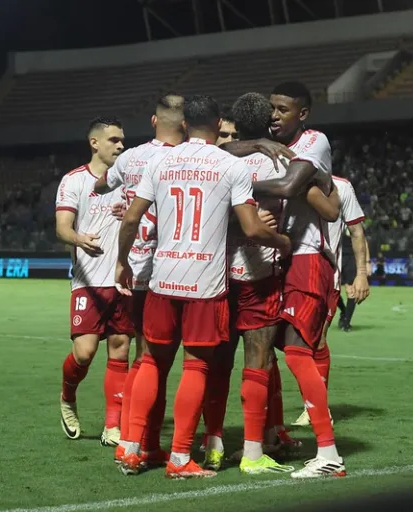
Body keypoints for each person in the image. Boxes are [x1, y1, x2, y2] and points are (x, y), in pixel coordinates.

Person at [115, 95, 291, 479]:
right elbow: (250, 227)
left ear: (183, 126)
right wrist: (283, 243)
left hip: (162, 276)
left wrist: (121, 260)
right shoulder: (230, 165)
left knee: (150, 361)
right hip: (204, 283)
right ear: (217, 125)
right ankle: (180, 458)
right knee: (195, 365)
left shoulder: (159, 161)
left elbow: (131, 218)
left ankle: (131, 448)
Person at [223, 81, 369, 478]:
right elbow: (222, 151)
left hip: (310, 259)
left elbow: (289, 186)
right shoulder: (268, 147)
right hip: (287, 260)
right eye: (271, 107)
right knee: (277, 352)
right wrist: (252, 146)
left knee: (298, 351)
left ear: (302, 114)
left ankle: (329, 455)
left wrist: (232, 188)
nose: (274, 115)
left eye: (283, 109)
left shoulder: (314, 142)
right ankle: (275, 438)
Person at [94, 93, 186, 465]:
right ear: (186, 124)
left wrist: (122, 196)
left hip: (133, 268)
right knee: (158, 360)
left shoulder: (130, 157)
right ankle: (139, 444)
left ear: (153, 121)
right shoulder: (183, 159)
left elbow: (101, 183)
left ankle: (135, 441)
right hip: (172, 271)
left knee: (142, 356)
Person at [54, 116, 133, 447]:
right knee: (84, 352)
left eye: (122, 140)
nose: (121, 145)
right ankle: (67, 397)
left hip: (123, 278)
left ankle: (112, 426)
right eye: (114, 140)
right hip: (87, 281)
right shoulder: (73, 181)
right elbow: (62, 226)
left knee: (120, 348)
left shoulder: (130, 180)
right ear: (95, 143)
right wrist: (78, 238)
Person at [293, 175, 368, 428]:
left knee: (316, 341)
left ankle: (315, 407)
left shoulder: (342, 186)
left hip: (325, 276)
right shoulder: (288, 178)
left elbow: (357, 231)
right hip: (286, 270)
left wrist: (361, 274)